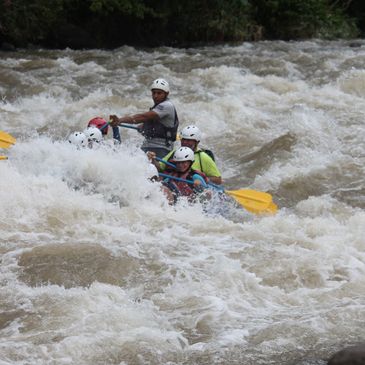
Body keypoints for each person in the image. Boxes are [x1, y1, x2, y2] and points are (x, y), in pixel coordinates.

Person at [109, 78, 179, 158]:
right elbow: (154, 125)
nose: (155, 96)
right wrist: (144, 127)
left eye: (159, 93)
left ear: (166, 94)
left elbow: (143, 117)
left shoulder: (167, 106)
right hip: (147, 145)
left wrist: (120, 120)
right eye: (154, 93)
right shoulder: (156, 108)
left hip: (163, 148)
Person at [151, 125, 222, 185]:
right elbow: (160, 168)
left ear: (197, 142)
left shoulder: (203, 157)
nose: (185, 142)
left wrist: (202, 180)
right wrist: (153, 159)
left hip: (192, 188)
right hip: (173, 184)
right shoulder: (176, 152)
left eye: (188, 140)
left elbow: (218, 180)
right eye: (183, 139)